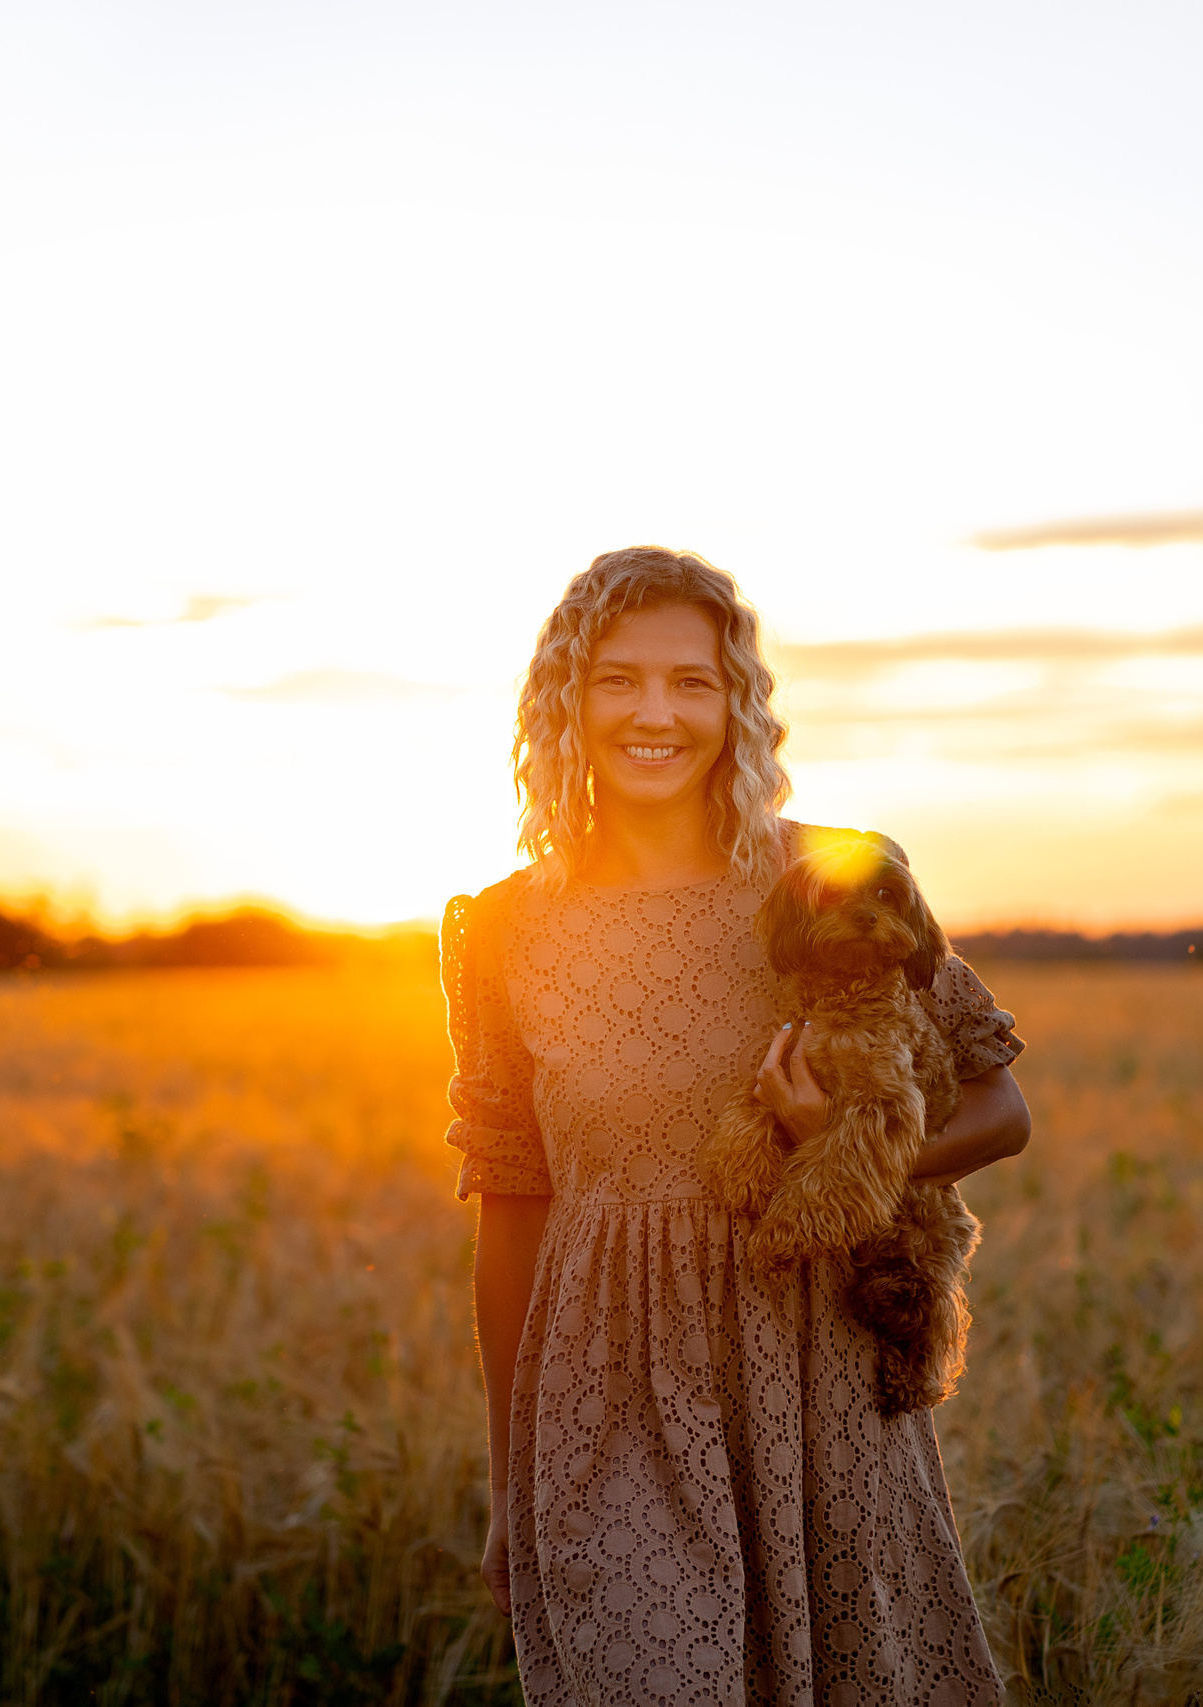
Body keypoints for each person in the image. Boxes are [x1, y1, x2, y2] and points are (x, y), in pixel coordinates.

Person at [441, 546, 1032, 1706]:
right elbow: (512, 1205)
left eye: (693, 683)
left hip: (815, 1364)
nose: (655, 713)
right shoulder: (501, 931)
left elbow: (998, 1105)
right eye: (617, 680)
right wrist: (511, 1481)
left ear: (738, 704)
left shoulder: (828, 872)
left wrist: (846, 1154)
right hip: (603, 1396)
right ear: (563, 698)